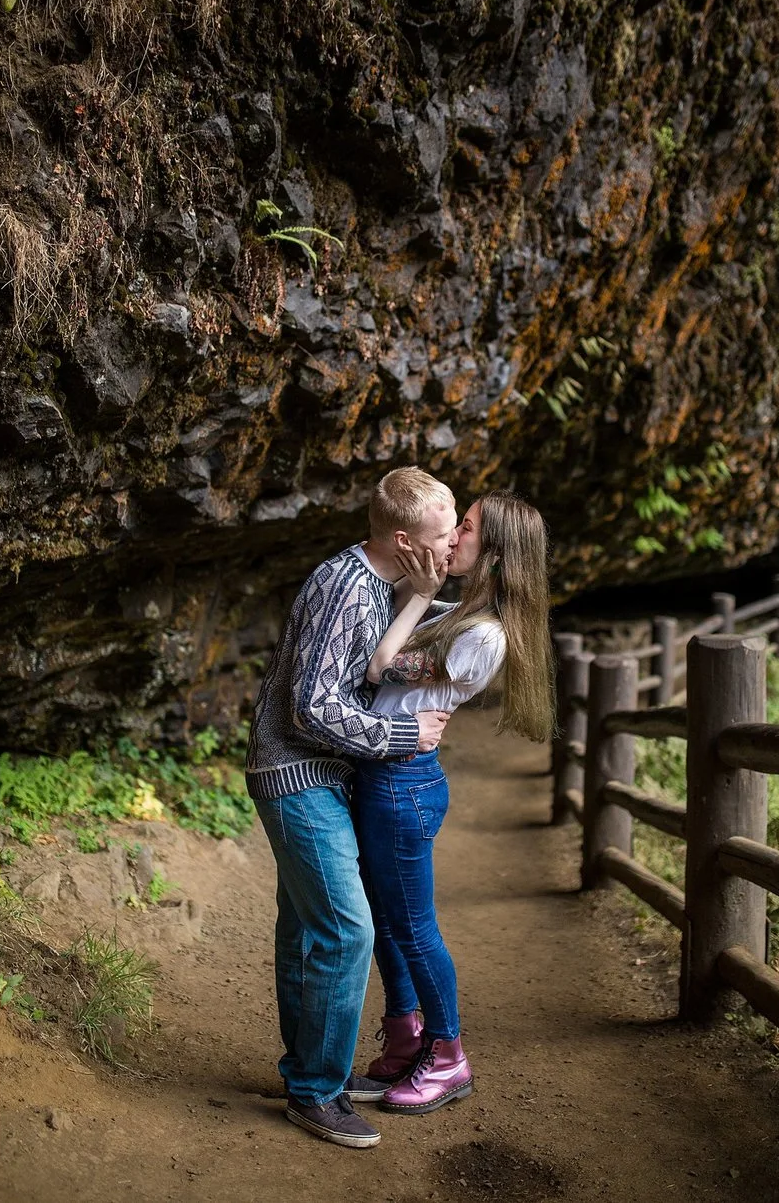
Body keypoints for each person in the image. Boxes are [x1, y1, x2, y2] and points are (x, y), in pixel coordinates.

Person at [244, 467, 457, 1151]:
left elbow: (361, 670)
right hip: (296, 773)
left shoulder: (374, 585)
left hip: (320, 775)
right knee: (346, 930)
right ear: (404, 538)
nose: (452, 543)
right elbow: (313, 704)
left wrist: (429, 625)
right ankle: (315, 1093)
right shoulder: (344, 585)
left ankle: (308, 1074)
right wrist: (403, 734)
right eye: (442, 534)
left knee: (309, 930)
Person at [343, 491, 552, 1118]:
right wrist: (420, 589)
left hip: (405, 784)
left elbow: (380, 664)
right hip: (385, 776)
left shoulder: (483, 636)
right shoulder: (456, 612)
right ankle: (406, 1037)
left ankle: (448, 1053)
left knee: (413, 927)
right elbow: (388, 631)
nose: (453, 535)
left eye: (466, 528)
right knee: (385, 921)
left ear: (494, 554)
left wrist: (417, 589)